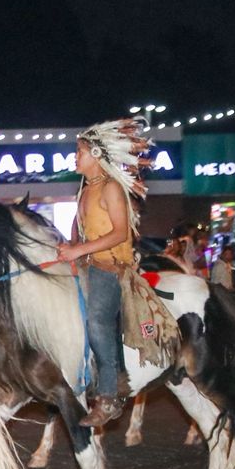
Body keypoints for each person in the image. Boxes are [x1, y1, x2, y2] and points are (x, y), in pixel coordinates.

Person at [55, 118, 153, 427]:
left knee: (97, 319)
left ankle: (110, 396)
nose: (76, 158)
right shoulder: (85, 190)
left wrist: (78, 251)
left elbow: (121, 234)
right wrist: (69, 246)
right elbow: (80, 231)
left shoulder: (111, 188)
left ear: (96, 154)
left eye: (80, 152)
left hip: (111, 269)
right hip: (88, 266)